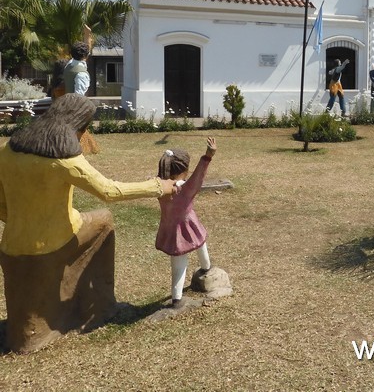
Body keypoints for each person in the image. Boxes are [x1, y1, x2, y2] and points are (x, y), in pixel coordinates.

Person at [0, 94, 179, 353]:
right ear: (80, 127)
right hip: (52, 245)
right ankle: (100, 306)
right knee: (103, 222)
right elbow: (110, 191)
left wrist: (20, 221)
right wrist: (158, 186)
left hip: (10, 246)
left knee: (87, 220)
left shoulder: (9, 149)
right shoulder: (64, 158)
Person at [156, 137, 218, 308]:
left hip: (170, 227)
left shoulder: (159, 185)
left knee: (178, 262)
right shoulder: (183, 187)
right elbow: (197, 178)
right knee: (199, 245)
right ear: (184, 170)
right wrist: (207, 157)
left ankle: (178, 295)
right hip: (188, 225)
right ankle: (205, 269)